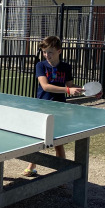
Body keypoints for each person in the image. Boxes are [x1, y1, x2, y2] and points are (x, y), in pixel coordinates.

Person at [23, 35, 85, 177]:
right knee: (39, 139)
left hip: (60, 108)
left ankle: (62, 172)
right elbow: (45, 86)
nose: (47, 55)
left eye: (50, 52)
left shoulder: (66, 67)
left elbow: (70, 86)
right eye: (44, 52)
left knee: (58, 140)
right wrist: (68, 90)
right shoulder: (41, 65)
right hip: (43, 107)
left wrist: (86, 90)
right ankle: (32, 165)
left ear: (59, 51)